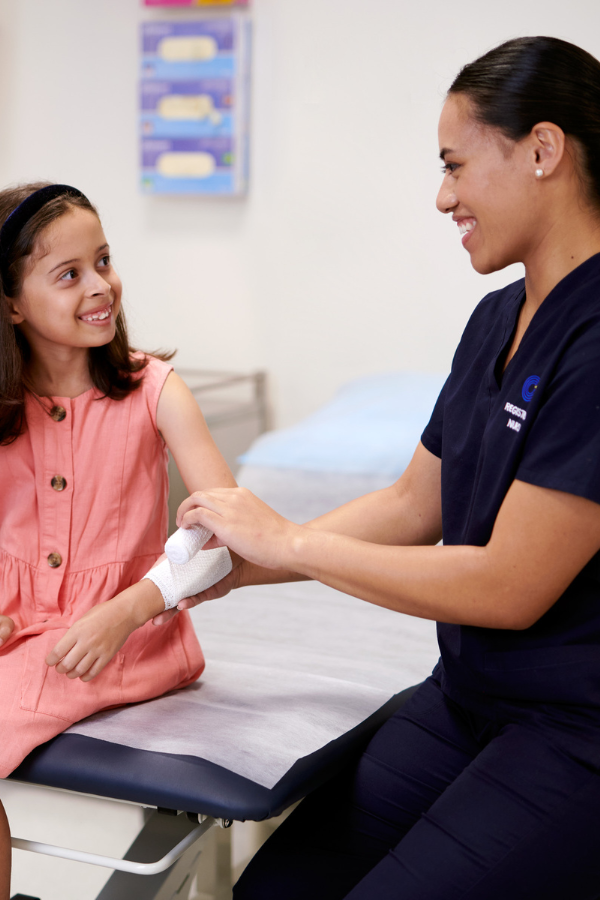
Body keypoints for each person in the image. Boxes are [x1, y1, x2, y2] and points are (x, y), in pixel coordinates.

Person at [162, 36, 600, 899]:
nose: (443, 198)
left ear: (543, 151)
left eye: (456, 167)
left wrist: (292, 541)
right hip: (466, 697)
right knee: (274, 890)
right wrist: (248, 565)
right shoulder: (496, 320)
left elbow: (511, 586)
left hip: (573, 730)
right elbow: (411, 503)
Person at [0, 182, 236, 898]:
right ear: (11, 304)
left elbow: (227, 539)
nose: (101, 285)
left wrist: (132, 608)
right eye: (69, 274)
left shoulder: (155, 391)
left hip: (126, 638)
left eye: (103, 260)